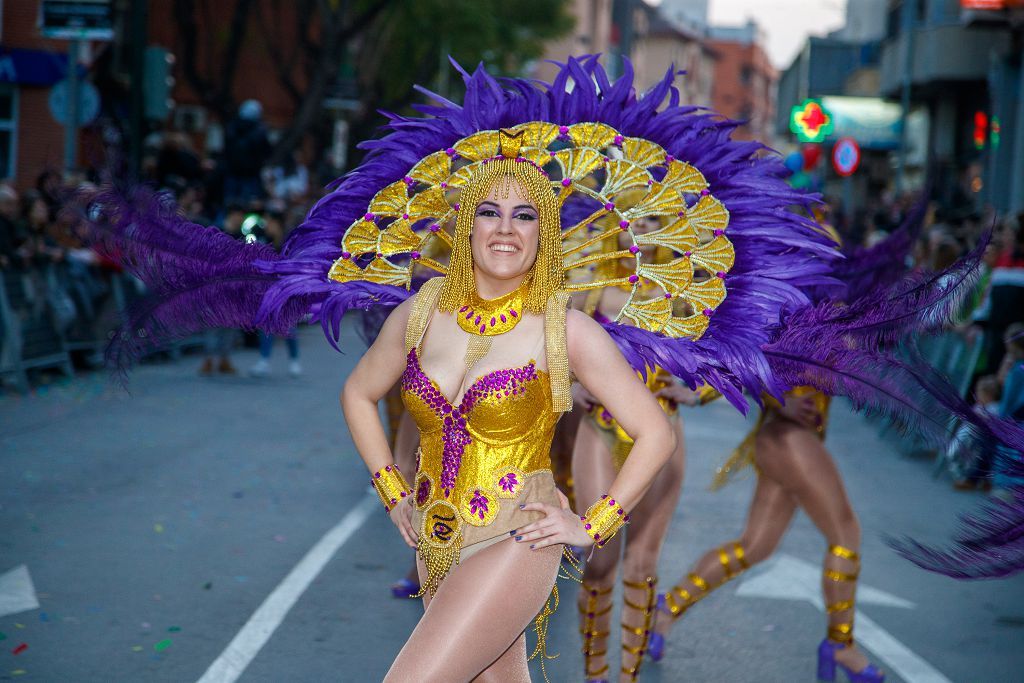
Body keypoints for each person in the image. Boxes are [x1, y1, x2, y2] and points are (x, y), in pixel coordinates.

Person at [341, 136, 677, 679]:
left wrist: (592, 526)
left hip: (517, 535)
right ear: (466, 224)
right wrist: (392, 489)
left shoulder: (566, 329)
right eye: (488, 212)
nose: (504, 228)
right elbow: (357, 393)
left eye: (523, 215)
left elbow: (656, 433)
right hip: (434, 536)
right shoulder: (419, 313)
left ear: (541, 233)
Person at [648, 387, 886, 683]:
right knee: (846, 536)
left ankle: (667, 609)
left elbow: (759, 352)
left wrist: (704, 394)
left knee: (754, 547)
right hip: (793, 442)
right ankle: (841, 645)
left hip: (777, 439)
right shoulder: (831, 338)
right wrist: (709, 393)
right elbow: (759, 349)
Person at [569, 207, 695, 683]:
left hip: (662, 436)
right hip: (600, 430)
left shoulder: (683, 293)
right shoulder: (590, 282)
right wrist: (570, 383)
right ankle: (595, 674)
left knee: (641, 566)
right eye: (630, 218)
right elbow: (552, 343)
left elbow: (720, 354)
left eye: (651, 220)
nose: (639, 229)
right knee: (601, 559)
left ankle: (628, 678)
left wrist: (697, 390)